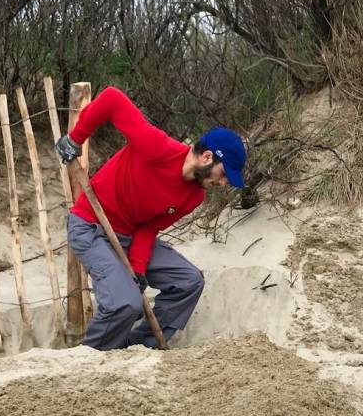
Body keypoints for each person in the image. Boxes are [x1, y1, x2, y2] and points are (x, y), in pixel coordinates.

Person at [55, 86, 246, 350]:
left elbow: (149, 227)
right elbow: (111, 98)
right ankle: (89, 358)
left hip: (129, 238)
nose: (223, 183)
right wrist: (75, 139)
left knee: (189, 282)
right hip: (91, 227)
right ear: (207, 157)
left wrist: (139, 267)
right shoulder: (156, 147)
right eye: (224, 174)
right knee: (126, 302)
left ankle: (138, 347)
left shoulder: (194, 197)